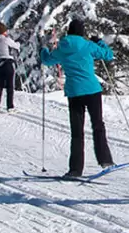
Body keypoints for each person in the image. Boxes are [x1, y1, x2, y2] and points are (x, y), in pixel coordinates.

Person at [39, 19, 116, 177]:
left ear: (68, 31)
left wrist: (44, 49)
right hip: (92, 90)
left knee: (77, 131)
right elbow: (108, 55)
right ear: (82, 32)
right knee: (98, 125)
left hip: (74, 92)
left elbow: (47, 60)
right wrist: (100, 42)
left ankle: (75, 169)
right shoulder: (87, 45)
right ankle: (105, 160)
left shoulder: (62, 48)